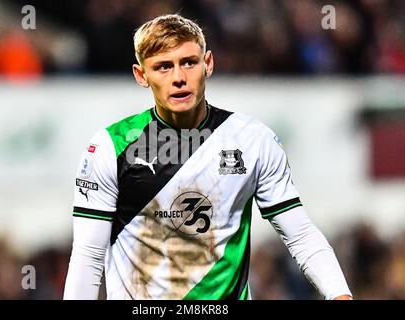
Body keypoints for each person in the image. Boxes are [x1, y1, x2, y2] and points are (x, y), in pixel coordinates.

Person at [63, 14, 352, 300]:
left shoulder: (253, 140)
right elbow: (88, 255)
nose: (178, 78)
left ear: (208, 64)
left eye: (188, 62)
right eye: (163, 67)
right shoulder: (109, 147)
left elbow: (300, 234)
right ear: (142, 75)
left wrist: (340, 295)